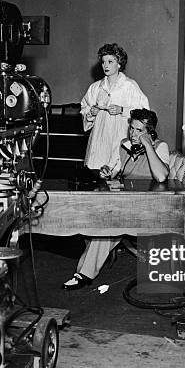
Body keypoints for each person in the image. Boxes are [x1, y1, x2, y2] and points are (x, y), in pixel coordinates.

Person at [63, 108, 169, 289]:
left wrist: (148, 146)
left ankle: (84, 273)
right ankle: (83, 272)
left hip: (150, 208)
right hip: (125, 204)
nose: (133, 134)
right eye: (132, 129)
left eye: (139, 130)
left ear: (150, 132)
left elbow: (161, 177)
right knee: (101, 222)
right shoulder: (124, 145)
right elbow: (114, 169)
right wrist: (107, 172)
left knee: (108, 227)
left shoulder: (161, 147)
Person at [80, 43, 149, 173]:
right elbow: (84, 107)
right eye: (103, 62)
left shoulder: (130, 86)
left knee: (116, 171)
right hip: (100, 138)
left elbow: (145, 113)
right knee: (96, 172)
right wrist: (91, 112)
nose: (105, 65)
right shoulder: (96, 87)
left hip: (120, 136)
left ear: (119, 64)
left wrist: (122, 110)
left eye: (110, 61)